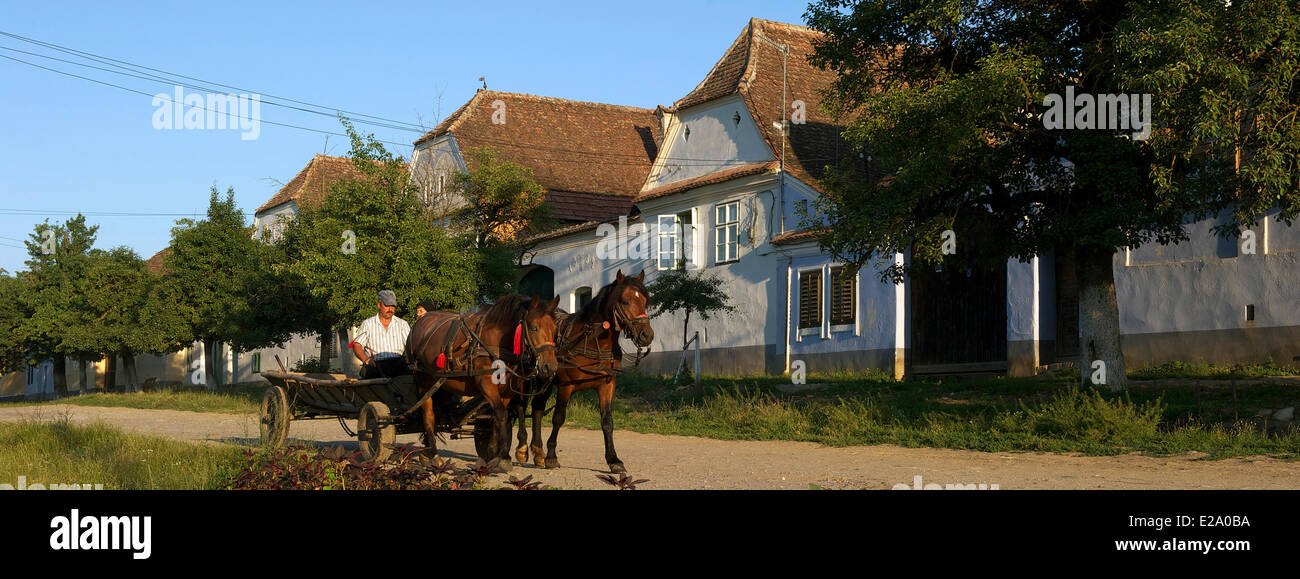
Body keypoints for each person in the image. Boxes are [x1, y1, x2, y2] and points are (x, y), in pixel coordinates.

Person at [353, 289, 412, 379]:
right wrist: (366, 359)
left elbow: (410, 346)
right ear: (379, 305)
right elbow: (357, 345)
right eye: (387, 305)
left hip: (398, 365)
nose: (390, 309)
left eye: (393, 306)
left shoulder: (402, 324)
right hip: (376, 365)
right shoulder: (367, 324)